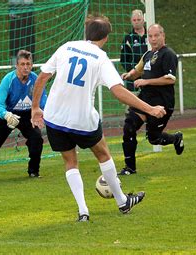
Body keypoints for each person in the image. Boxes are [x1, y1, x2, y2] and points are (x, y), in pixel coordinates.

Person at [31, 15, 166, 222]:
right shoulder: (100, 57)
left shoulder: (66, 47)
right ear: (105, 38)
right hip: (82, 119)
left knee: (70, 162)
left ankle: (83, 211)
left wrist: (35, 109)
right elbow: (119, 91)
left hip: (54, 117)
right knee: (103, 154)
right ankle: (122, 201)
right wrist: (150, 108)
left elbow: (41, 77)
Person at [0, 50, 47, 181]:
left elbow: (44, 100)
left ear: (32, 65)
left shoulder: (36, 80)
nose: (26, 67)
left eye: (28, 64)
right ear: (16, 65)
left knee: (37, 138)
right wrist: (6, 115)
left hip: (28, 114)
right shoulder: (8, 80)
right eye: (22, 64)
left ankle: (33, 171)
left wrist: (41, 113)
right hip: (8, 113)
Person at [118, 24, 184, 176]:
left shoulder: (168, 54)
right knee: (129, 126)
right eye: (150, 36)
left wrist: (146, 82)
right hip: (145, 99)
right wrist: (128, 75)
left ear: (163, 36)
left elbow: (169, 80)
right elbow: (138, 70)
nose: (153, 39)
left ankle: (175, 138)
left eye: (156, 36)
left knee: (154, 139)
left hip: (162, 102)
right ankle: (130, 168)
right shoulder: (147, 54)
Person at [120, 9, 148, 91]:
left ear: (143, 20)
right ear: (131, 21)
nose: (136, 22)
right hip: (134, 77)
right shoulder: (128, 38)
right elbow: (124, 59)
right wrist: (133, 72)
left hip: (149, 75)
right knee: (134, 102)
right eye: (134, 20)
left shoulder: (150, 35)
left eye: (139, 20)